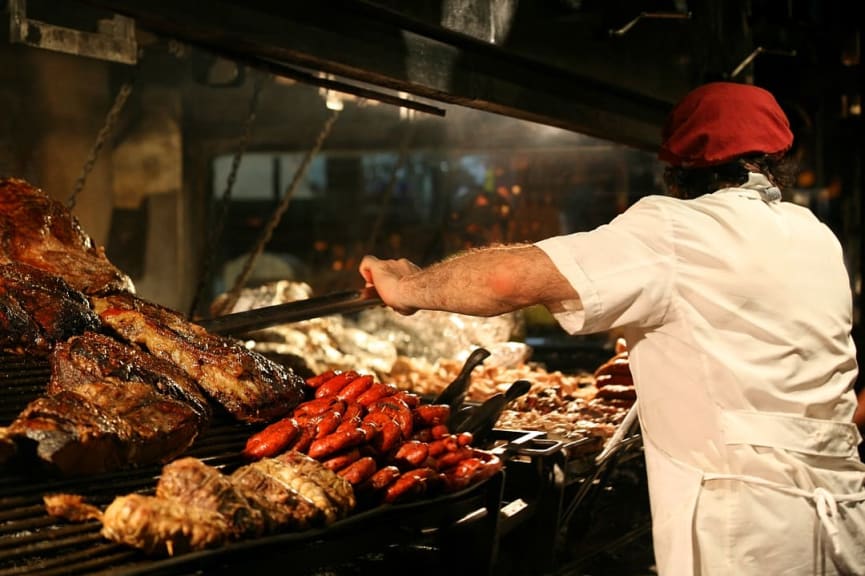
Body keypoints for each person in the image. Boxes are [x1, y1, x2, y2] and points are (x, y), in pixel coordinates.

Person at [359, 82, 865, 575]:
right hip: (839, 523)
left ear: (678, 170)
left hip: (747, 529)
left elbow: (504, 278)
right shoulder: (812, 235)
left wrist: (407, 286)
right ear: (779, 160)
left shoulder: (674, 228)